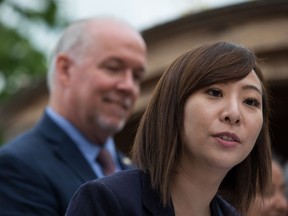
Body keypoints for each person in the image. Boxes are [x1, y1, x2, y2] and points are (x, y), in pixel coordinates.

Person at [65, 41, 272, 216]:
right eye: (215, 92)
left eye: (251, 102)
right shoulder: (107, 202)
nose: (234, 114)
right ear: (173, 105)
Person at [0, 16, 147, 216]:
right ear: (65, 69)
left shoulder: (138, 172)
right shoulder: (16, 167)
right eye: (113, 68)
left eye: (137, 76)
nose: (128, 86)